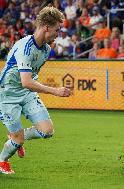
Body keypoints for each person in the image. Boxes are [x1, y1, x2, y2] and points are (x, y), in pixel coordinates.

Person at [0, 6, 71, 174]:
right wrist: (55, 91)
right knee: (18, 141)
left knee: (47, 131)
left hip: (28, 94)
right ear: (46, 27)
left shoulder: (46, 49)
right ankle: (3, 160)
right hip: (7, 95)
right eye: (56, 29)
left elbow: (29, 81)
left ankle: (16, 137)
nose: (57, 33)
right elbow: (26, 81)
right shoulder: (25, 47)